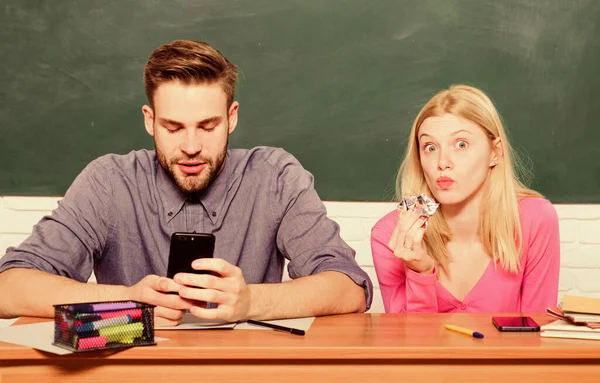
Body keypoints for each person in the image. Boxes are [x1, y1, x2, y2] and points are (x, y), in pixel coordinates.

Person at [0, 40, 372, 325]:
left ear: (232, 117)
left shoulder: (275, 176)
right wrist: (126, 301)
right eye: (173, 127)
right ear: (149, 120)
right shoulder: (109, 182)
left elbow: (349, 288)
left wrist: (250, 302)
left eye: (208, 127)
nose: (191, 147)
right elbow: (8, 286)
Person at [370, 85, 559, 313]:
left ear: (495, 152)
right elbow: (411, 344)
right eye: (430, 147)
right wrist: (420, 273)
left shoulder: (535, 220)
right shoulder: (389, 235)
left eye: (461, 144)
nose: (443, 162)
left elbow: (536, 332)